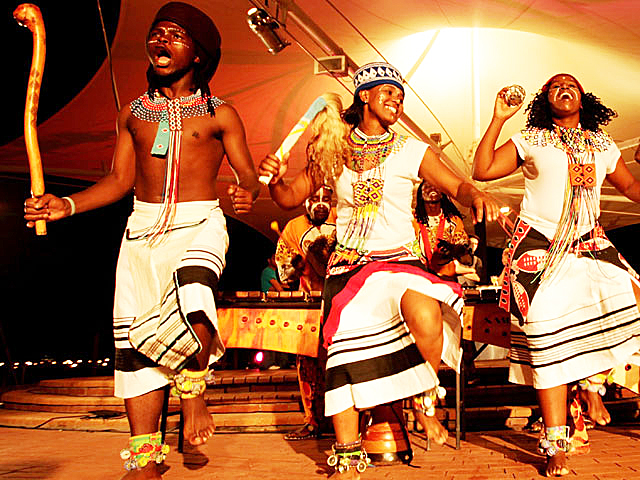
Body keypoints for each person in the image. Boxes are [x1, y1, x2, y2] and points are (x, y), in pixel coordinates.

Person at [23, 3, 260, 478]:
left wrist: (247, 192)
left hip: (199, 222)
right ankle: (145, 459)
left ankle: (192, 392)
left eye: (175, 34)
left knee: (195, 291)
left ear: (198, 54)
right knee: (135, 343)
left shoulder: (221, 113)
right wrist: (65, 205)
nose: (161, 40)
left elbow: (249, 176)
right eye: (156, 33)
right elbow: (118, 180)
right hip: (142, 230)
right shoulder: (132, 113)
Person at [259, 63, 497, 478]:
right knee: (344, 354)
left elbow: (456, 184)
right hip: (350, 267)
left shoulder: (411, 149)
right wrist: (275, 180)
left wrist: (475, 193)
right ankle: (347, 454)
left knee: (427, 313)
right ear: (364, 95)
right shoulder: (333, 149)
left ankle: (424, 403)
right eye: (388, 92)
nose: (396, 101)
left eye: (400, 96)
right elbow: (289, 196)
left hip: (400, 261)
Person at [473, 73, 640, 477]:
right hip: (539, 249)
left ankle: (593, 386)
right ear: (545, 100)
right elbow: (482, 170)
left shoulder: (602, 143)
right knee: (547, 340)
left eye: (571, 85)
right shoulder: (531, 138)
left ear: (583, 97)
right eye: (554, 86)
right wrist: (499, 118)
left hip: (589, 243)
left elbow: (632, 188)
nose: (564, 88)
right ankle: (555, 443)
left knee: (632, 303)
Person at [275, 185, 337, 440]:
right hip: (310, 304)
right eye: (315, 199)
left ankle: (348, 422)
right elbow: (284, 270)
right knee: (308, 365)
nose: (321, 203)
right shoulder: (293, 228)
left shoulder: (343, 218)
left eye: (326, 199)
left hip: (342, 300)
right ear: (305, 202)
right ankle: (312, 421)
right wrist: (295, 267)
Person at [413, 180, 475, 279]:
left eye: (436, 186)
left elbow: (465, 257)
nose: (432, 189)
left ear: (442, 194)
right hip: (419, 276)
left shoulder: (453, 221)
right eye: (427, 187)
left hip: (447, 276)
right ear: (420, 194)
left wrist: (455, 249)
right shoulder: (412, 220)